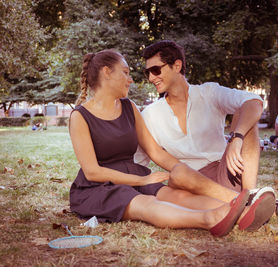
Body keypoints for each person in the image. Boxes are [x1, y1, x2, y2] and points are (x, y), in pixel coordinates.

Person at [68, 49, 258, 237]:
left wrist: (180, 173)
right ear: (106, 72)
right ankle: (210, 219)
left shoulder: (129, 107)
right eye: (125, 72)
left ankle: (242, 213)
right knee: (145, 204)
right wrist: (141, 180)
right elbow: (92, 171)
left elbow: (154, 151)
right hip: (99, 186)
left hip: (132, 175)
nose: (131, 79)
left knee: (177, 196)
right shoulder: (79, 116)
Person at [134, 40, 278, 222]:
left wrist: (237, 138)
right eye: (147, 72)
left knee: (247, 117)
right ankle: (253, 203)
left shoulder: (209, 92)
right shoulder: (150, 114)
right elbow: (138, 162)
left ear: (176, 66)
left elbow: (253, 101)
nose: (150, 78)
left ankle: (249, 195)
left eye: (155, 70)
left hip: (227, 170)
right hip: (190, 184)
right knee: (178, 174)